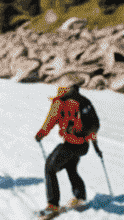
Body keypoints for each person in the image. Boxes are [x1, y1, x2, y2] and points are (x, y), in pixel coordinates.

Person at [35, 81, 98, 213]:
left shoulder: (60, 102)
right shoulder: (83, 101)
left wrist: (41, 133)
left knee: (50, 167)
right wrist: (95, 146)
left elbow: (51, 119)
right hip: (83, 146)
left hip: (71, 144)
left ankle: (53, 205)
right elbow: (93, 126)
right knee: (71, 167)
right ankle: (80, 196)